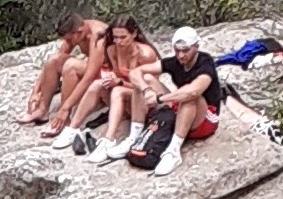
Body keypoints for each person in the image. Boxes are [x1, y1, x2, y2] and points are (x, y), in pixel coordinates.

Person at [132, 26, 222, 170]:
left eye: (185, 50)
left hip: (205, 117)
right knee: (147, 79)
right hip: (181, 110)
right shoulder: (175, 62)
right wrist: (146, 90)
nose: (181, 55)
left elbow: (193, 91)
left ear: (196, 47)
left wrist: (160, 99)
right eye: (177, 50)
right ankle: (135, 135)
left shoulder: (205, 63)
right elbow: (136, 72)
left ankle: (174, 150)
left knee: (189, 95)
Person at [86, 18, 163, 156]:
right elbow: (117, 76)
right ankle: (72, 128)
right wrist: (112, 79)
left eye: (123, 37)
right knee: (98, 84)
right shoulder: (112, 50)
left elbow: (146, 85)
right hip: (128, 96)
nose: (118, 41)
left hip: (145, 100)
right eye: (115, 37)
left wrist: (119, 83)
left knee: (118, 91)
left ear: (134, 34)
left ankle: (109, 138)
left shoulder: (145, 54)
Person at [27, 16, 98, 130]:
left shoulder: (97, 36)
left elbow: (90, 75)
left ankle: (65, 118)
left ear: (79, 32)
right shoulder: (77, 31)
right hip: (91, 67)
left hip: (105, 71)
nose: (68, 43)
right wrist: (35, 92)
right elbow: (56, 59)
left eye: (69, 40)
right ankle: (42, 110)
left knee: (70, 66)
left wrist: (65, 108)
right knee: (54, 60)